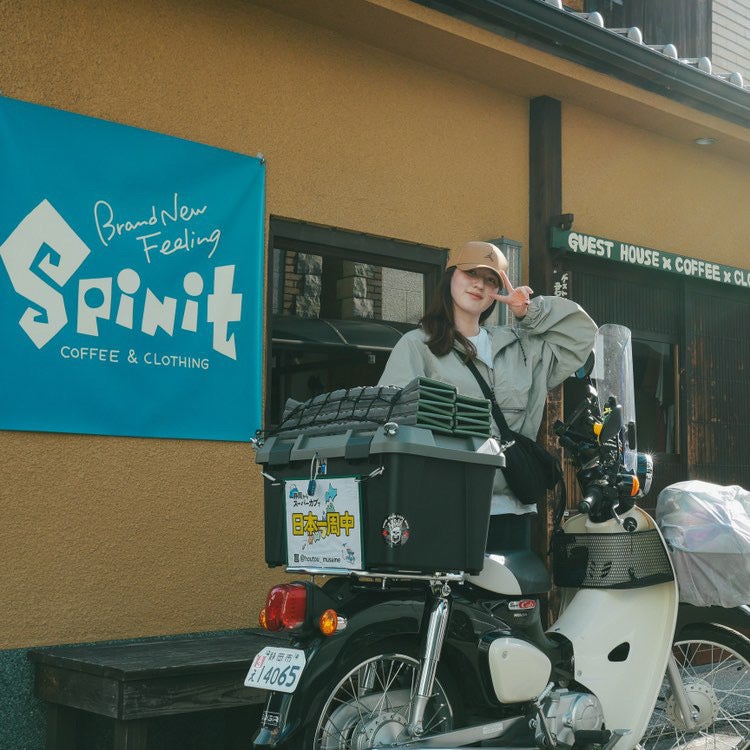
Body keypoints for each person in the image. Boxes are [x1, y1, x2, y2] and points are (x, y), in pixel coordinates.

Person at [378, 240, 597, 552]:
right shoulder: (417, 346)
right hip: (446, 508)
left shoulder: (521, 346)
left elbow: (582, 336)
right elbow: (392, 422)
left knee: (510, 585)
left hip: (512, 509)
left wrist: (529, 312)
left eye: (491, 279)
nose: (479, 284)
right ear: (450, 276)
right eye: (471, 273)